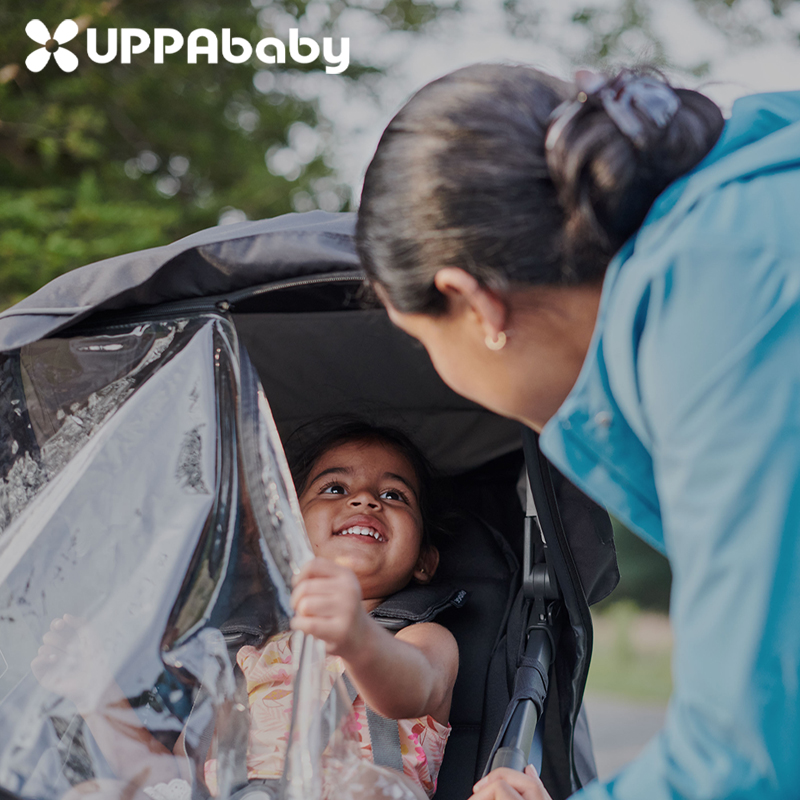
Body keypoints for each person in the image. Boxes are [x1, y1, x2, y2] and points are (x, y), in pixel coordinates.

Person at [355, 64, 800, 800]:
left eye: (423, 344)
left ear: (474, 305)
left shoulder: (720, 306)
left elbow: (752, 751)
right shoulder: (744, 219)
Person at [33, 421, 458, 800]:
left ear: (425, 560)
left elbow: (414, 689)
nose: (365, 500)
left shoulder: (421, 640)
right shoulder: (248, 656)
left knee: (372, 790)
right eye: (335, 488)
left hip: (355, 789)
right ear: (287, 531)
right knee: (93, 791)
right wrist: (97, 693)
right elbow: (168, 776)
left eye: (393, 495)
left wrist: (356, 638)